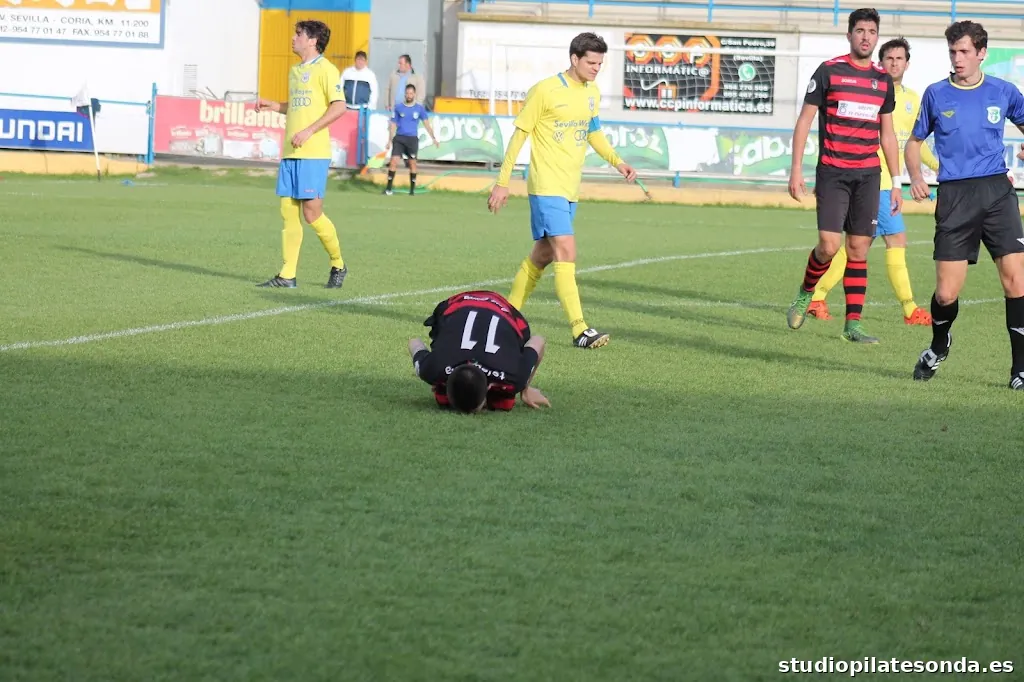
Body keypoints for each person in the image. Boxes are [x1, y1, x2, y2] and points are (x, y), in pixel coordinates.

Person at [487, 32, 638, 349]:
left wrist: (617, 162)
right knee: (566, 249)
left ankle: (504, 318)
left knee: (542, 255)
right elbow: (519, 136)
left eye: (600, 63)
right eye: (591, 62)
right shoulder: (545, 90)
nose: (596, 68)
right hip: (546, 186)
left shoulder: (592, 92)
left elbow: (593, 132)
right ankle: (580, 329)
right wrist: (503, 181)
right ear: (574, 59)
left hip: (570, 189)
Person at [904, 20, 1024, 388]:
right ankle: (939, 344)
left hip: (997, 191)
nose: (957, 58)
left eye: (965, 52)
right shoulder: (937, 94)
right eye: (953, 52)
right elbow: (913, 143)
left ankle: (1020, 369)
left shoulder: (1003, 91)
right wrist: (916, 176)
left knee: (1017, 281)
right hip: (955, 197)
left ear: (981, 53)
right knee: (946, 294)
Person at [785, 8, 903, 344]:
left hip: (868, 175)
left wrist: (897, 182)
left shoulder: (883, 81)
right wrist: (796, 169)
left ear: (876, 37)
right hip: (833, 172)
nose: (866, 37)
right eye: (860, 31)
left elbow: (887, 135)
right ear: (849, 35)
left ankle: (853, 325)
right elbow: (805, 121)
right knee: (829, 245)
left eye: (872, 31)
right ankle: (806, 292)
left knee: (859, 248)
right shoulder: (829, 71)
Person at [807, 37, 939, 326]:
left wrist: (940, 168)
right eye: (889, 58)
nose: (894, 63)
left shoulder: (912, 99)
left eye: (899, 59)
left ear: (907, 64)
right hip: (871, 180)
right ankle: (909, 309)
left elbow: (914, 143)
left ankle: (817, 296)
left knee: (857, 247)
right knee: (894, 239)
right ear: (881, 62)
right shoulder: (870, 90)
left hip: (888, 183)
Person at [255, 20, 349, 289]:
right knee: (288, 212)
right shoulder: (295, 71)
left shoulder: (326, 69)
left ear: (312, 40)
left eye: (298, 34)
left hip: (313, 153)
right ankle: (287, 275)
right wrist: (275, 105)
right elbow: (298, 107)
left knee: (311, 214)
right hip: (290, 152)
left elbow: (339, 106)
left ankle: (338, 264)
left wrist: (309, 131)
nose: (293, 38)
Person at [408, 290, 550, 412]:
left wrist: (524, 385)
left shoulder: (515, 377)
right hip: (462, 305)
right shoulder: (433, 369)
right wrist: (524, 387)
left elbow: (538, 340)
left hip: (494, 309)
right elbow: (414, 342)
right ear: (489, 387)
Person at [384, 84, 438, 196]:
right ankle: (388, 189)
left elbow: (427, 124)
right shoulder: (399, 107)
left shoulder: (419, 108)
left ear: (414, 94)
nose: (409, 95)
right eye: (407, 93)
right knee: (393, 162)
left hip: (412, 140)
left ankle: (412, 191)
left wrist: (433, 138)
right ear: (405, 94)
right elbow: (393, 124)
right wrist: (389, 140)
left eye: (411, 93)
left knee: (412, 164)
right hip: (399, 138)